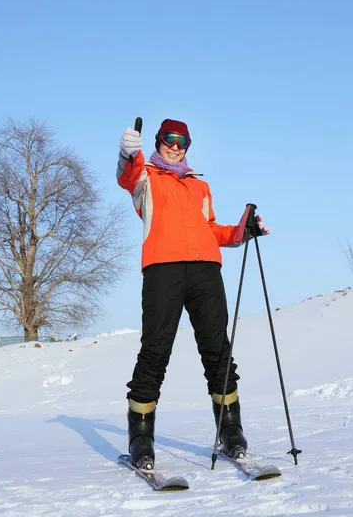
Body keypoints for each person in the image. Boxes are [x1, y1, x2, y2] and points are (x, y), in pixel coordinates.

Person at [116, 119, 270, 469]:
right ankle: (141, 436)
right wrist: (127, 153)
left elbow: (210, 229)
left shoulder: (200, 185)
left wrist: (242, 232)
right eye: (169, 140)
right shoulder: (146, 179)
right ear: (158, 142)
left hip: (205, 271)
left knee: (218, 350)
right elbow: (126, 175)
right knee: (156, 349)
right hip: (163, 269)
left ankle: (230, 428)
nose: (176, 146)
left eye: (182, 141)